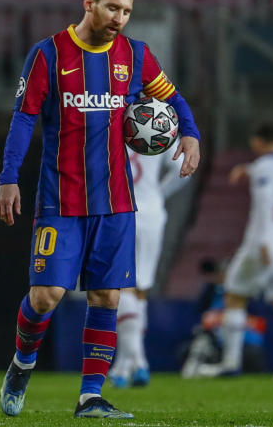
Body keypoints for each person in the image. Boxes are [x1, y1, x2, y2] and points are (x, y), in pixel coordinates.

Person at [0, 0, 201, 418]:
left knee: (107, 298)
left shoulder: (136, 55)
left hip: (117, 203)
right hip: (61, 201)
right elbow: (24, 119)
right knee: (46, 295)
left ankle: (91, 396)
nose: (119, 18)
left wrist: (190, 134)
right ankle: (22, 361)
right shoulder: (49, 54)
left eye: (127, 11)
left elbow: (175, 98)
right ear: (88, 2)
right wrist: (8, 177)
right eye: (112, 7)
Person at [214, 122, 273, 380]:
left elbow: (266, 203)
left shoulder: (263, 167)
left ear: (259, 141)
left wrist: (266, 241)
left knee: (234, 295)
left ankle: (230, 363)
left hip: (263, 242)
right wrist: (249, 169)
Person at [109, 147, 184, 388]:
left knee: (124, 286)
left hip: (121, 210)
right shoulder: (162, 123)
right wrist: (159, 193)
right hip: (152, 213)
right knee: (140, 290)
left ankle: (139, 362)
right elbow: (183, 169)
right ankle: (123, 367)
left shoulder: (114, 122)